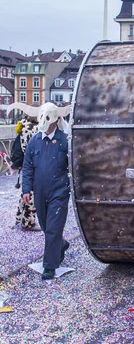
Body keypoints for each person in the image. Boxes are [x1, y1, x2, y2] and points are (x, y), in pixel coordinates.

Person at [21, 102, 71, 280]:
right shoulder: (35, 141)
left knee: (53, 227)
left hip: (59, 190)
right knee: (45, 225)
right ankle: (60, 244)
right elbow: (27, 167)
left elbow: (73, 165)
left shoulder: (65, 140)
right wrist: (26, 189)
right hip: (40, 191)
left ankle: (49, 266)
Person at [12, 116, 40, 231]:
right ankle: (28, 223)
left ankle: (19, 217)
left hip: (25, 164)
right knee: (32, 194)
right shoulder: (33, 129)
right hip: (33, 166)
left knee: (26, 191)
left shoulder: (23, 127)